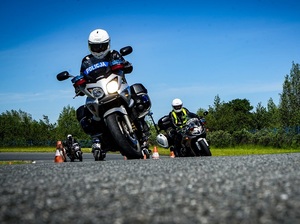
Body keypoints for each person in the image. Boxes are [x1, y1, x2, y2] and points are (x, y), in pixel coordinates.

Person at [75, 29, 150, 158]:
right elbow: (83, 77)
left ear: (108, 44)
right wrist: (78, 85)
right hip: (99, 93)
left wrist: (125, 64)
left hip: (117, 86)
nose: (98, 50)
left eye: (101, 46)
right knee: (84, 111)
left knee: (137, 94)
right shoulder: (86, 61)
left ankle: (141, 127)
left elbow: (128, 66)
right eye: (95, 47)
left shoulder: (114, 54)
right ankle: (98, 139)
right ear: (89, 46)